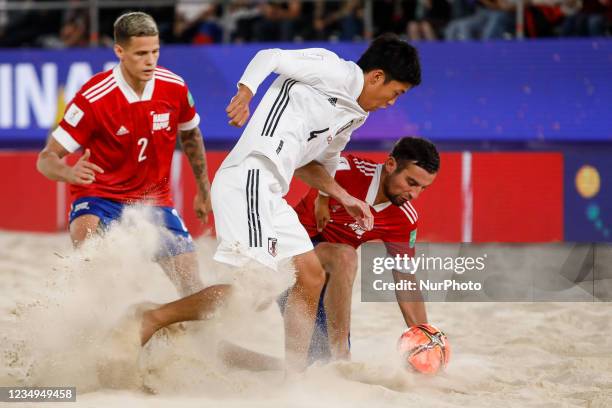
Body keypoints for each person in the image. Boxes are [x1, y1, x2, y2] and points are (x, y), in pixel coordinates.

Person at [139, 33, 422, 371]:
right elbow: (269, 56)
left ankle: (294, 374)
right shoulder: (333, 70)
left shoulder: (355, 114)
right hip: (250, 175)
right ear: (377, 77)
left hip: (271, 191)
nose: (393, 102)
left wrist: (332, 198)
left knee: (311, 275)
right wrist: (245, 93)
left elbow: (321, 161)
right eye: (396, 93)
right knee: (257, 291)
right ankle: (153, 318)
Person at [36, 12, 211, 297]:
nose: (150, 61)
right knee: (94, 270)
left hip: (154, 201)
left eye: (155, 51)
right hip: (99, 198)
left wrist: (204, 190)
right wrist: (69, 172)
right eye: (141, 53)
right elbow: (45, 159)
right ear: (119, 51)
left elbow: (191, 134)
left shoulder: (174, 87)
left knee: (194, 291)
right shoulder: (94, 97)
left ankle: (157, 324)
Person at [286, 136, 440, 362]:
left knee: (316, 366)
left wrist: (426, 338)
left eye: (423, 188)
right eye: (411, 183)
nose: (414, 195)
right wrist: (328, 194)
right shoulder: (349, 170)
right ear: (390, 165)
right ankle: (342, 355)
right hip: (283, 258)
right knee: (345, 256)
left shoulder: (403, 219)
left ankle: (232, 355)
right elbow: (300, 164)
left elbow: (405, 279)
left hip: (315, 284)